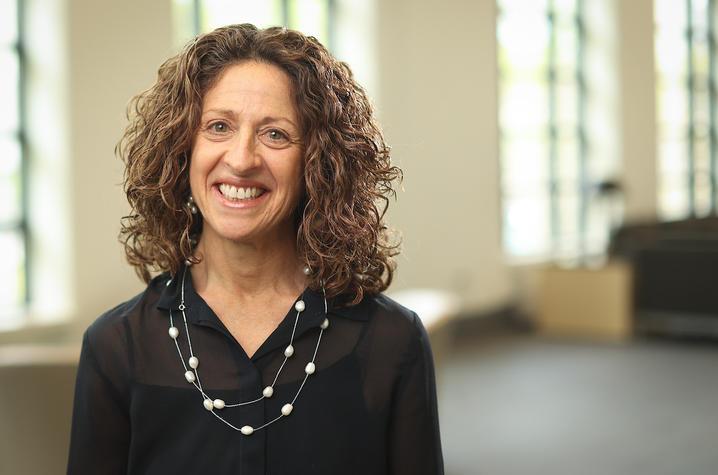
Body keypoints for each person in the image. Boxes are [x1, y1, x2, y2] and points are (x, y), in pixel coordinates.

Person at [67, 24, 444, 475]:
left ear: (319, 164)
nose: (242, 159)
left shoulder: (393, 341)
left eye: (276, 134)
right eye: (219, 127)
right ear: (182, 150)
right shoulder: (116, 348)